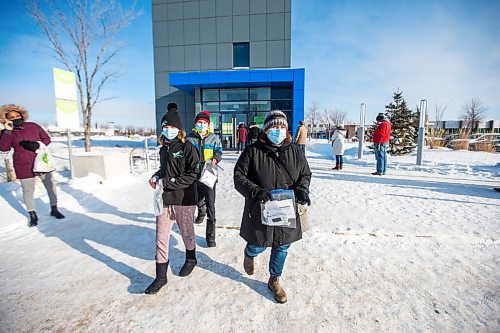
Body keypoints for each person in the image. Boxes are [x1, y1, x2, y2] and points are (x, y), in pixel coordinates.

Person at [234, 110, 312, 303]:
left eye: (282, 127)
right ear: (266, 129)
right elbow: (238, 177)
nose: (278, 130)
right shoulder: (252, 151)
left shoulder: (294, 150)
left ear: (287, 130)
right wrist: (256, 192)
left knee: (282, 246)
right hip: (262, 208)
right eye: (274, 127)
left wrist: (302, 190)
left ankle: (274, 279)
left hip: (287, 210)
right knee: (258, 244)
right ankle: (249, 253)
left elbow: (305, 174)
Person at [145, 107, 200, 294]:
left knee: (187, 232)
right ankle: (161, 277)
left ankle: (191, 258)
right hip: (164, 199)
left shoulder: (188, 148)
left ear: (179, 129)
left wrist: (167, 181)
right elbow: (164, 170)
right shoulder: (163, 150)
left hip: (184, 199)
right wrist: (155, 176)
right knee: (160, 237)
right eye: (165, 127)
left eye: (172, 127)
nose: (168, 130)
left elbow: (193, 174)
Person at [0, 104, 65, 227]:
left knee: (50, 186)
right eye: (11, 117)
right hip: (23, 164)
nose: (15, 118)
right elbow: (3, 147)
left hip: (41, 161)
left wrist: (38, 145)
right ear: (6, 119)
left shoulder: (33, 126)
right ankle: (32, 214)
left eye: (17, 115)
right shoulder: (5, 132)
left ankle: (54, 209)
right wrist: (8, 130)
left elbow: (47, 139)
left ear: (22, 115)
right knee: (28, 190)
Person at [186, 110, 222, 247]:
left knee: (211, 205)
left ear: (208, 124)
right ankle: (201, 209)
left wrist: (216, 158)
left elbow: (219, 151)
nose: (202, 125)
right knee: (197, 200)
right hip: (194, 176)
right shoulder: (189, 138)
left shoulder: (214, 138)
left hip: (209, 175)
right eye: (199, 122)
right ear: (196, 124)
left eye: (204, 123)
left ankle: (210, 237)